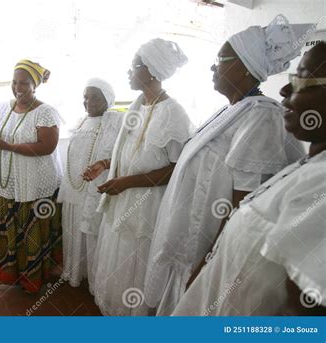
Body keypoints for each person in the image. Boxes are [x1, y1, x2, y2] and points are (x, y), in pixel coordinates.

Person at [144, 15, 314, 316]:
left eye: (220, 60)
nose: (213, 67)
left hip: (205, 251)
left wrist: (208, 263)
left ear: (244, 67)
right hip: (187, 246)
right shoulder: (234, 109)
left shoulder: (262, 116)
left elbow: (242, 202)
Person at [83, 38, 194, 315]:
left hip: (147, 204)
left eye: (135, 65)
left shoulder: (173, 113)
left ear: (153, 70)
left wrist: (127, 183)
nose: (129, 71)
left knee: (138, 259)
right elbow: (132, 155)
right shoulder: (136, 105)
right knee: (118, 254)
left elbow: (176, 168)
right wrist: (106, 164)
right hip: (122, 199)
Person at [0, 59, 63, 294]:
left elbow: (46, 147)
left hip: (34, 184)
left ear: (35, 85)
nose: (18, 88)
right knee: (9, 226)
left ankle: (34, 276)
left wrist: (6, 146)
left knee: (32, 227)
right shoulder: (2, 107)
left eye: (24, 83)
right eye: (14, 82)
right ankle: (13, 272)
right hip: (7, 182)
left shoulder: (46, 112)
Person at [57, 78, 122, 291]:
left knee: (93, 233)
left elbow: (121, 155)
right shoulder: (81, 122)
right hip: (76, 188)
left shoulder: (115, 121)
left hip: (96, 189)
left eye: (94, 97)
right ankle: (77, 272)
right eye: (85, 97)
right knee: (74, 229)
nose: (88, 101)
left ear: (107, 99)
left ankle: (95, 281)